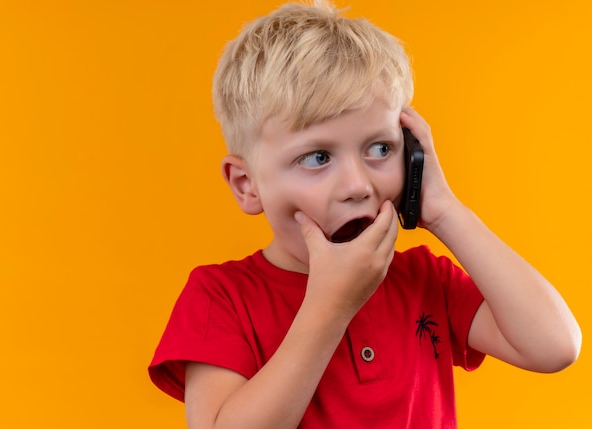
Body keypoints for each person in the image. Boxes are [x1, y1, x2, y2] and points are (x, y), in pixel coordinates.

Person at [148, 1, 582, 427]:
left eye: (380, 149)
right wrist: (329, 308)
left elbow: (554, 345)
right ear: (247, 185)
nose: (358, 185)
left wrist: (443, 210)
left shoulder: (424, 281)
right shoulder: (220, 299)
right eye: (318, 157)